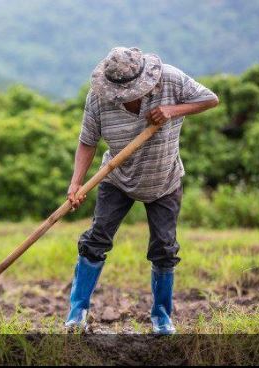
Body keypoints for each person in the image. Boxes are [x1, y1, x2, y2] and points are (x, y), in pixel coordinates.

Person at [65, 47, 219, 334]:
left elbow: (210, 99)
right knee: (96, 240)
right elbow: (88, 140)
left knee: (164, 248)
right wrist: (76, 183)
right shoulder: (99, 97)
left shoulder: (171, 80)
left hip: (164, 179)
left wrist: (173, 110)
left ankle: (162, 317)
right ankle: (77, 313)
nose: (123, 98)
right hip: (117, 177)